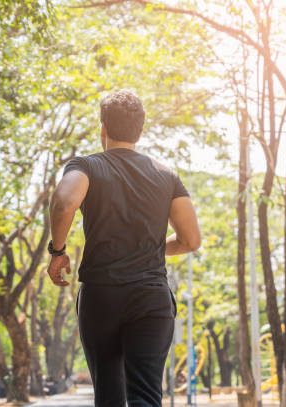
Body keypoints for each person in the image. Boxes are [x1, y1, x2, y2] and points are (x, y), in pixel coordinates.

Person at [47, 90, 201, 407]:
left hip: (101, 296)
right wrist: (154, 250)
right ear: (140, 132)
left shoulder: (86, 166)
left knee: (109, 396)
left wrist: (57, 251)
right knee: (146, 396)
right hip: (151, 298)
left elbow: (64, 203)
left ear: (102, 128)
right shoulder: (167, 176)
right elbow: (190, 240)